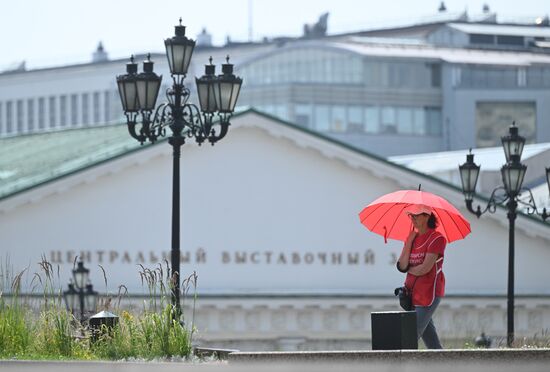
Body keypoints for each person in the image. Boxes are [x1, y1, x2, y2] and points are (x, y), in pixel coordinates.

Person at [397, 204, 446, 349]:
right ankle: (444, 364)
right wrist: (409, 242)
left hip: (428, 294)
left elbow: (424, 268)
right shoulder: (412, 238)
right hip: (412, 294)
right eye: (410, 215)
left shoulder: (437, 239)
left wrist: (408, 269)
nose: (412, 219)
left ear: (427, 216)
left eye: (416, 215)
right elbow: (401, 265)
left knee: (409, 337)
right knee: (432, 343)